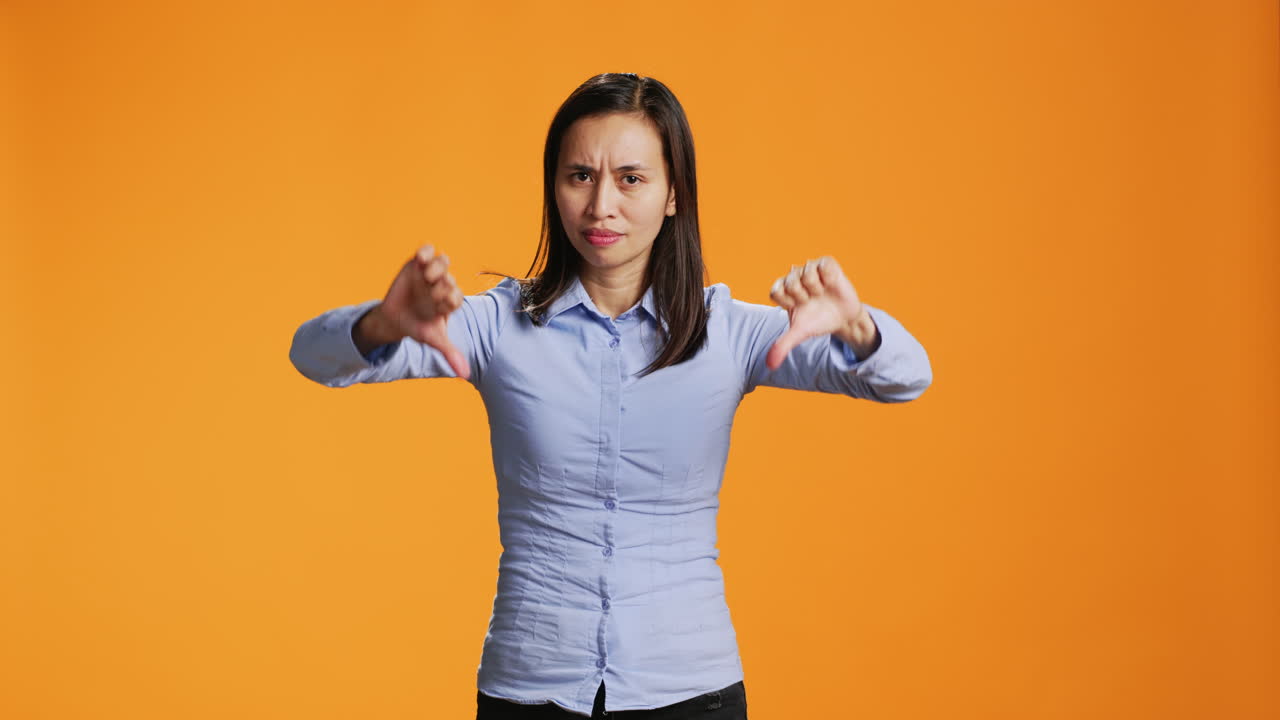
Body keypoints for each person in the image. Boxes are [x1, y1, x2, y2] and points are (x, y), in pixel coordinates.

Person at [288, 73, 932, 719]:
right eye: (580, 176)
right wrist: (381, 326)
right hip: (529, 687)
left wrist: (858, 327)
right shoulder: (495, 324)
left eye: (631, 178)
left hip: (691, 691)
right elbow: (311, 356)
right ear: (554, 187)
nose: (601, 206)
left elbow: (906, 377)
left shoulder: (728, 332)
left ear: (674, 193)